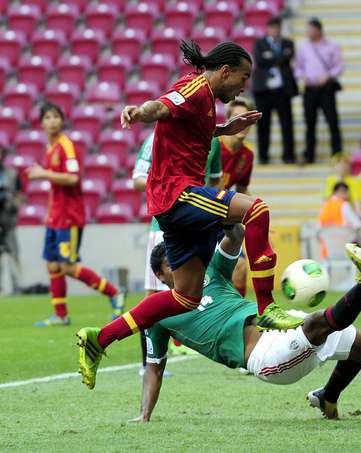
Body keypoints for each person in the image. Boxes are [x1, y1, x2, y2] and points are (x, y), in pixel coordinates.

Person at [76, 41, 304, 390]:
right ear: (225, 71)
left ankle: (100, 338)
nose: (244, 86)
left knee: (186, 297)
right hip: (178, 194)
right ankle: (267, 306)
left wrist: (223, 131)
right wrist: (139, 112)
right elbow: (164, 107)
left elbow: (186, 124)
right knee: (255, 210)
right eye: (243, 78)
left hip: (169, 204)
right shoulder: (195, 87)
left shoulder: (207, 102)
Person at [132, 225, 361, 422]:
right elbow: (153, 369)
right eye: (172, 264)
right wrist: (145, 415)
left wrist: (218, 216)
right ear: (159, 274)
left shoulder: (212, 271)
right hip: (266, 356)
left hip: (282, 323)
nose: (180, 266)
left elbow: (236, 235)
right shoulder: (157, 313)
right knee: (317, 323)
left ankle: (328, 397)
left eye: (182, 258)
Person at [26, 102, 124, 327]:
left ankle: (114, 292)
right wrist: (49, 212)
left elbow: (72, 178)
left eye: (55, 117)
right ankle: (60, 315)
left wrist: (43, 173)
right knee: (52, 264)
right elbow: (56, 186)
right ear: (41, 123)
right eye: (47, 117)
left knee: (67, 266)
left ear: (62, 120)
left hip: (69, 216)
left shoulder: (66, 146)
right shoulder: (50, 148)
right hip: (56, 216)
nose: (52, 121)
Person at [133, 128, 222, 362]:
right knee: (154, 293)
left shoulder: (211, 138)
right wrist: (169, 189)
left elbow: (214, 180)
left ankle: (185, 341)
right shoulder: (156, 138)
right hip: (164, 223)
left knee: (195, 286)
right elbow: (138, 179)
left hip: (198, 222)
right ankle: (148, 361)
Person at [212, 96, 257, 297]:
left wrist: (259, 214)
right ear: (228, 121)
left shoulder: (248, 155)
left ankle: (241, 320)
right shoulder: (214, 146)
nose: (243, 123)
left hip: (222, 218)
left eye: (247, 119)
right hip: (203, 212)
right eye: (238, 117)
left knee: (240, 268)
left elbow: (242, 188)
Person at [295, 17, 343, 164]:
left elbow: (339, 66)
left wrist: (328, 76)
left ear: (318, 30)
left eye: (310, 29)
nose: (308, 32)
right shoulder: (304, 47)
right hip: (310, 89)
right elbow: (298, 68)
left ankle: (337, 154)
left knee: (332, 122)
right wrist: (303, 77)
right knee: (310, 124)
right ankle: (309, 155)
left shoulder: (332, 46)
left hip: (326, 88)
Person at [252, 16, 298, 164]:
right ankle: (264, 156)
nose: (275, 31)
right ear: (267, 29)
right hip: (264, 91)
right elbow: (260, 60)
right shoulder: (259, 43)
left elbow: (288, 57)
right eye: (272, 28)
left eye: (277, 28)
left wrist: (272, 57)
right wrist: (279, 58)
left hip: (282, 90)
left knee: (287, 124)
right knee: (264, 124)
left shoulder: (288, 42)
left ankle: (289, 155)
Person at [0, 145, 22, 294]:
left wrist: (13, 203)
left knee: (14, 253)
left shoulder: (12, 173)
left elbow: (19, 194)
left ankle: (18, 287)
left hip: (8, 219)